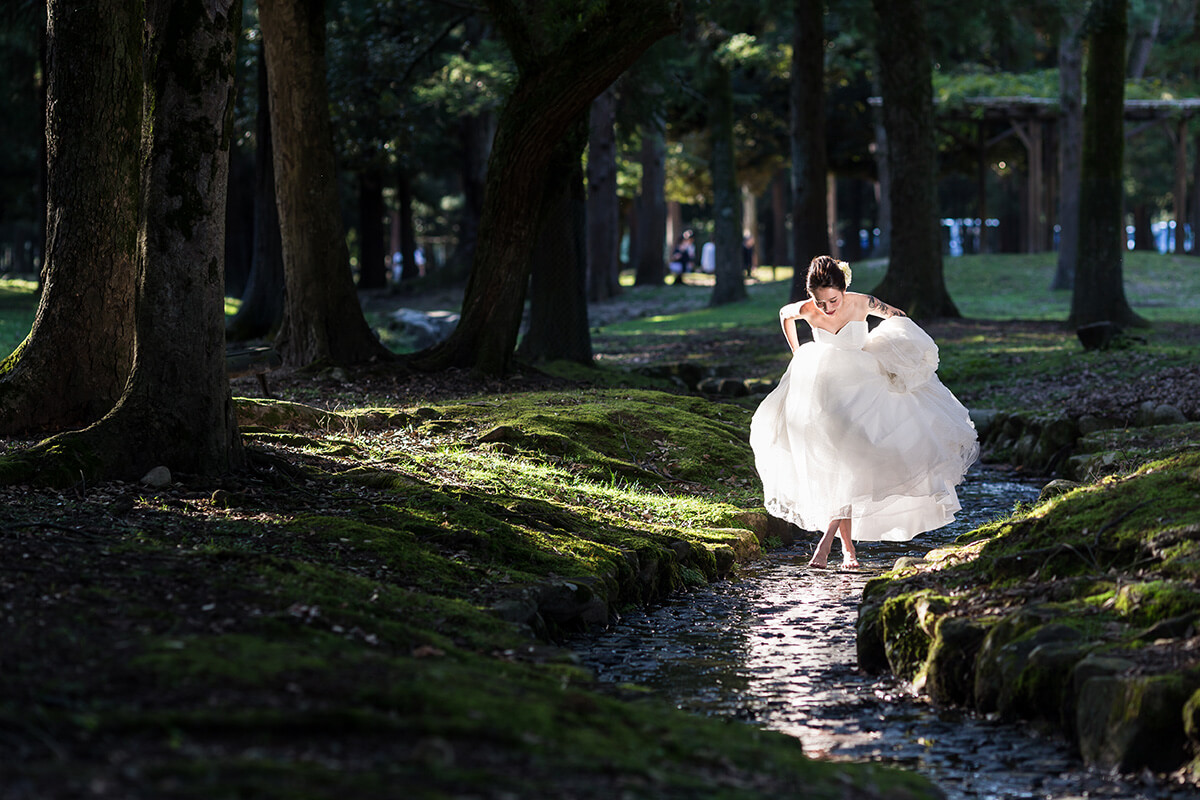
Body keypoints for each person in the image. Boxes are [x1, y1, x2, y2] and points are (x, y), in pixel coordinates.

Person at [749, 255, 978, 569]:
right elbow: (784, 314)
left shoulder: (861, 303)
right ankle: (847, 551)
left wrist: (889, 344)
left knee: (857, 462)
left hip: (865, 386)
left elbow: (897, 315)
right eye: (820, 301)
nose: (827, 307)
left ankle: (828, 545)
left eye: (833, 299)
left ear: (844, 290)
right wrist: (797, 351)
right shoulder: (806, 309)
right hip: (826, 389)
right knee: (838, 466)